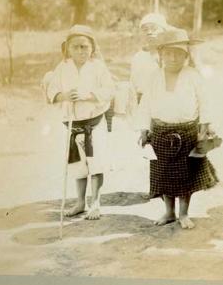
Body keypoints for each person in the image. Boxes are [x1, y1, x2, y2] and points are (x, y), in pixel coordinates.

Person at [138, 27, 218, 230]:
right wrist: (143, 129)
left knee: (185, 176)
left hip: (187, 132)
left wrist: (204, 127)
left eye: (178, 53)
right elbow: (145, 104)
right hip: (160, 132)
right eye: (168, 53)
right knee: (164, 174)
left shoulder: (193, 76)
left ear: (186, 55)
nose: (173, 58)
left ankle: (183, 213)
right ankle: (169, 212)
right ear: (161, 55)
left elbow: (205, 102)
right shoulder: (154, 77)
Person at [46, 24, 115, 220]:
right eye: (75, 47)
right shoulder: (62, 68)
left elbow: (109, 90)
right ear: (67, 48)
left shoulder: (98, 67)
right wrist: (64, 95)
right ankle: (80, 202)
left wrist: (89, 95)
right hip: (73, 126)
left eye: (84, 46)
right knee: (79, 166)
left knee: (96, 164)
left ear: (92, 47)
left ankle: (95, 202)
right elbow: (52, 92)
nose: (80, 51)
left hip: (94, 123)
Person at [130, 13, 174, 103]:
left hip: (164, 101)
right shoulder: (138, 57)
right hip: (141, 101)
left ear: (164, 31)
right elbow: (133, 85)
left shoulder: (171, 55)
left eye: (154, 28)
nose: (149, 32)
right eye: (145, 30)